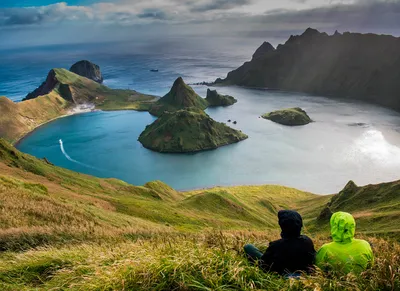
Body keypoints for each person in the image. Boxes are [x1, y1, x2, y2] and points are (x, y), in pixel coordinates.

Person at [244, 210, 316, 276]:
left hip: (281, 273)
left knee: (248, 247)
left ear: (283, 226)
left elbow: (263, 264)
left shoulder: (276, 245)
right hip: (302, 273)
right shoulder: (307, 241)